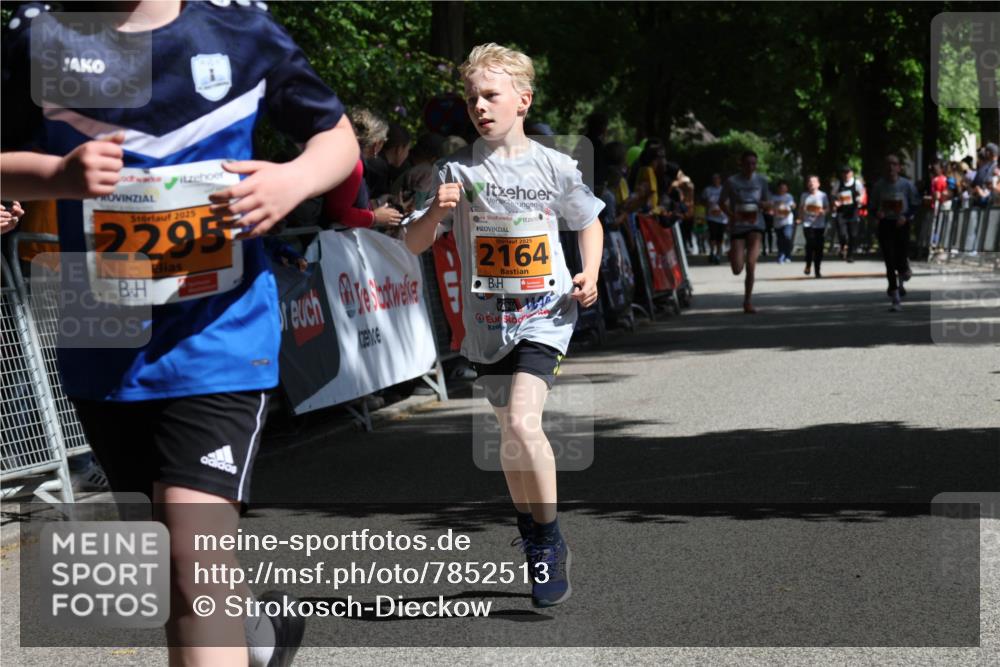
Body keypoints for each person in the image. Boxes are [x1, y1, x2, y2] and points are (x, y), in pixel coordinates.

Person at [1, 2, 359, 665]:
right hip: (104, 343)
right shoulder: (38, 34)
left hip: (220, 338)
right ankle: (257, 628)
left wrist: (293, 180)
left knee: (192, 553)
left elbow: (335, 134)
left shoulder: (238, 27)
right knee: (174, 573)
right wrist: (54, 178)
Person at [403, 42, 604, 608]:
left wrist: (588, 270)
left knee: (521, 422)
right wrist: (438, 210)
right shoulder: (456, 171)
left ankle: (549, 540)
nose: (480, 107)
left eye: (491, 95)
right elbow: (414, 241)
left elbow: (589, 222)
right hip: (487, 323)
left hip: (546, 316)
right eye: (472, 99)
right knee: (511, 442)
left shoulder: (555, 165)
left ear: (523, 99)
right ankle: (537, 531)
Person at [718, 150, 770, 313]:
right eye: (747, 163)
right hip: (738, 226)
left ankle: (747, 301)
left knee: (751, 264)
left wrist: (764, 205)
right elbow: (721, 202)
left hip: (756, 225)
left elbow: (769, 203)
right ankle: (733, 254)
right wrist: (731, 216)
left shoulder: (761, 181)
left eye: (753, 163)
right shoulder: (732, 181)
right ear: (740, 164)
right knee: (737, 269)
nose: (750, 166)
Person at [869, 154, 920, 312]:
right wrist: (877, 213)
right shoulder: (879, 186)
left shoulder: (906, 185)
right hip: (886, 224)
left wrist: (906, 216)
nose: (891, 167)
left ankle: (904, 270)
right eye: (888, 164)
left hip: (901, 224)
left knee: (900, 256)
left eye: (894, 164)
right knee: (889, 261)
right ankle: (895, 296)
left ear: (899, 167)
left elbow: (915, 204)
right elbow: (871, 207)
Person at [797, 175, 830, 278]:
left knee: (819, 248)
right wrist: (799, 218)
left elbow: (828, 208)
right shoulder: (804, 195)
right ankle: (808, 264)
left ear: (818, 184)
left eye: (814, 182)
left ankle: (817, 270)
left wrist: (823, 212)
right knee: (810, 245)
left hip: (820, 225)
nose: (811, 184)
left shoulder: (823, 195)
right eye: (810, 182)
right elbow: (801, 208)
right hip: (808, 224)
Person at [832, 165, 865, 262]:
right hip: (841, 212)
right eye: (844, 173)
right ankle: (843, 246)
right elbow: (833, 195)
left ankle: (850, 255)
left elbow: (862, 193)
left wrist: (860, 200)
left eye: (848, 172)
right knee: (842, 234)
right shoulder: (839, 183)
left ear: (851, 173)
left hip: (853, 211)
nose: (846, 175)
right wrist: (835, 202)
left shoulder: (856, 183)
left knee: (853, 235)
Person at [702, 173, 728, 264]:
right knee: (712, 235)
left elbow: (728, 202)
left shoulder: (724, 190)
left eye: (717, 178)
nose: (715, 180)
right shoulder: (707, 190)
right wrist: (707, 205)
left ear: (720, 180)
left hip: (722, 217)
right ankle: (712, 252)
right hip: (711, 216)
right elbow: (703, 201)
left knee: (720, 237)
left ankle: (718, 254)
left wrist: (723, 210)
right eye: (714, 179)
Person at [771, 180, 796, 263]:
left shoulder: (789, 196)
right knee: (780, 239)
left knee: (787, 237)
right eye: (781, 187)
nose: (783, 189)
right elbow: (770, 208)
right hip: (777, 221)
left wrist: (793, 205)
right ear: (778, 188)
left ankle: (788, 255)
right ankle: (781, 254)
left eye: (784, 187)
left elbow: (793, 205)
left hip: (787, 220)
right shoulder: (773, 197)